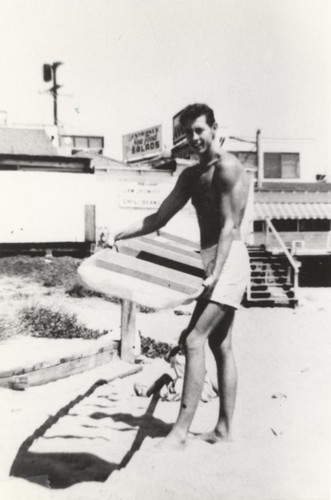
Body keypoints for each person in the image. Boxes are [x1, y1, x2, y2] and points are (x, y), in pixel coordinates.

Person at [108, 103, 250, 449]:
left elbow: (230, 227)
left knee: (193, 340)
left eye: (199, 130)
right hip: (210, 260)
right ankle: (224, 431)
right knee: (221, 344)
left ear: (214, 127)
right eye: (188, 133)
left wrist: (216, 272)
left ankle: (181, 433)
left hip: (229, 260)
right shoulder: (190, 176)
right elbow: (158, 218)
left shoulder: (229, 169)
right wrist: (120, 235)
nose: (194, 138)